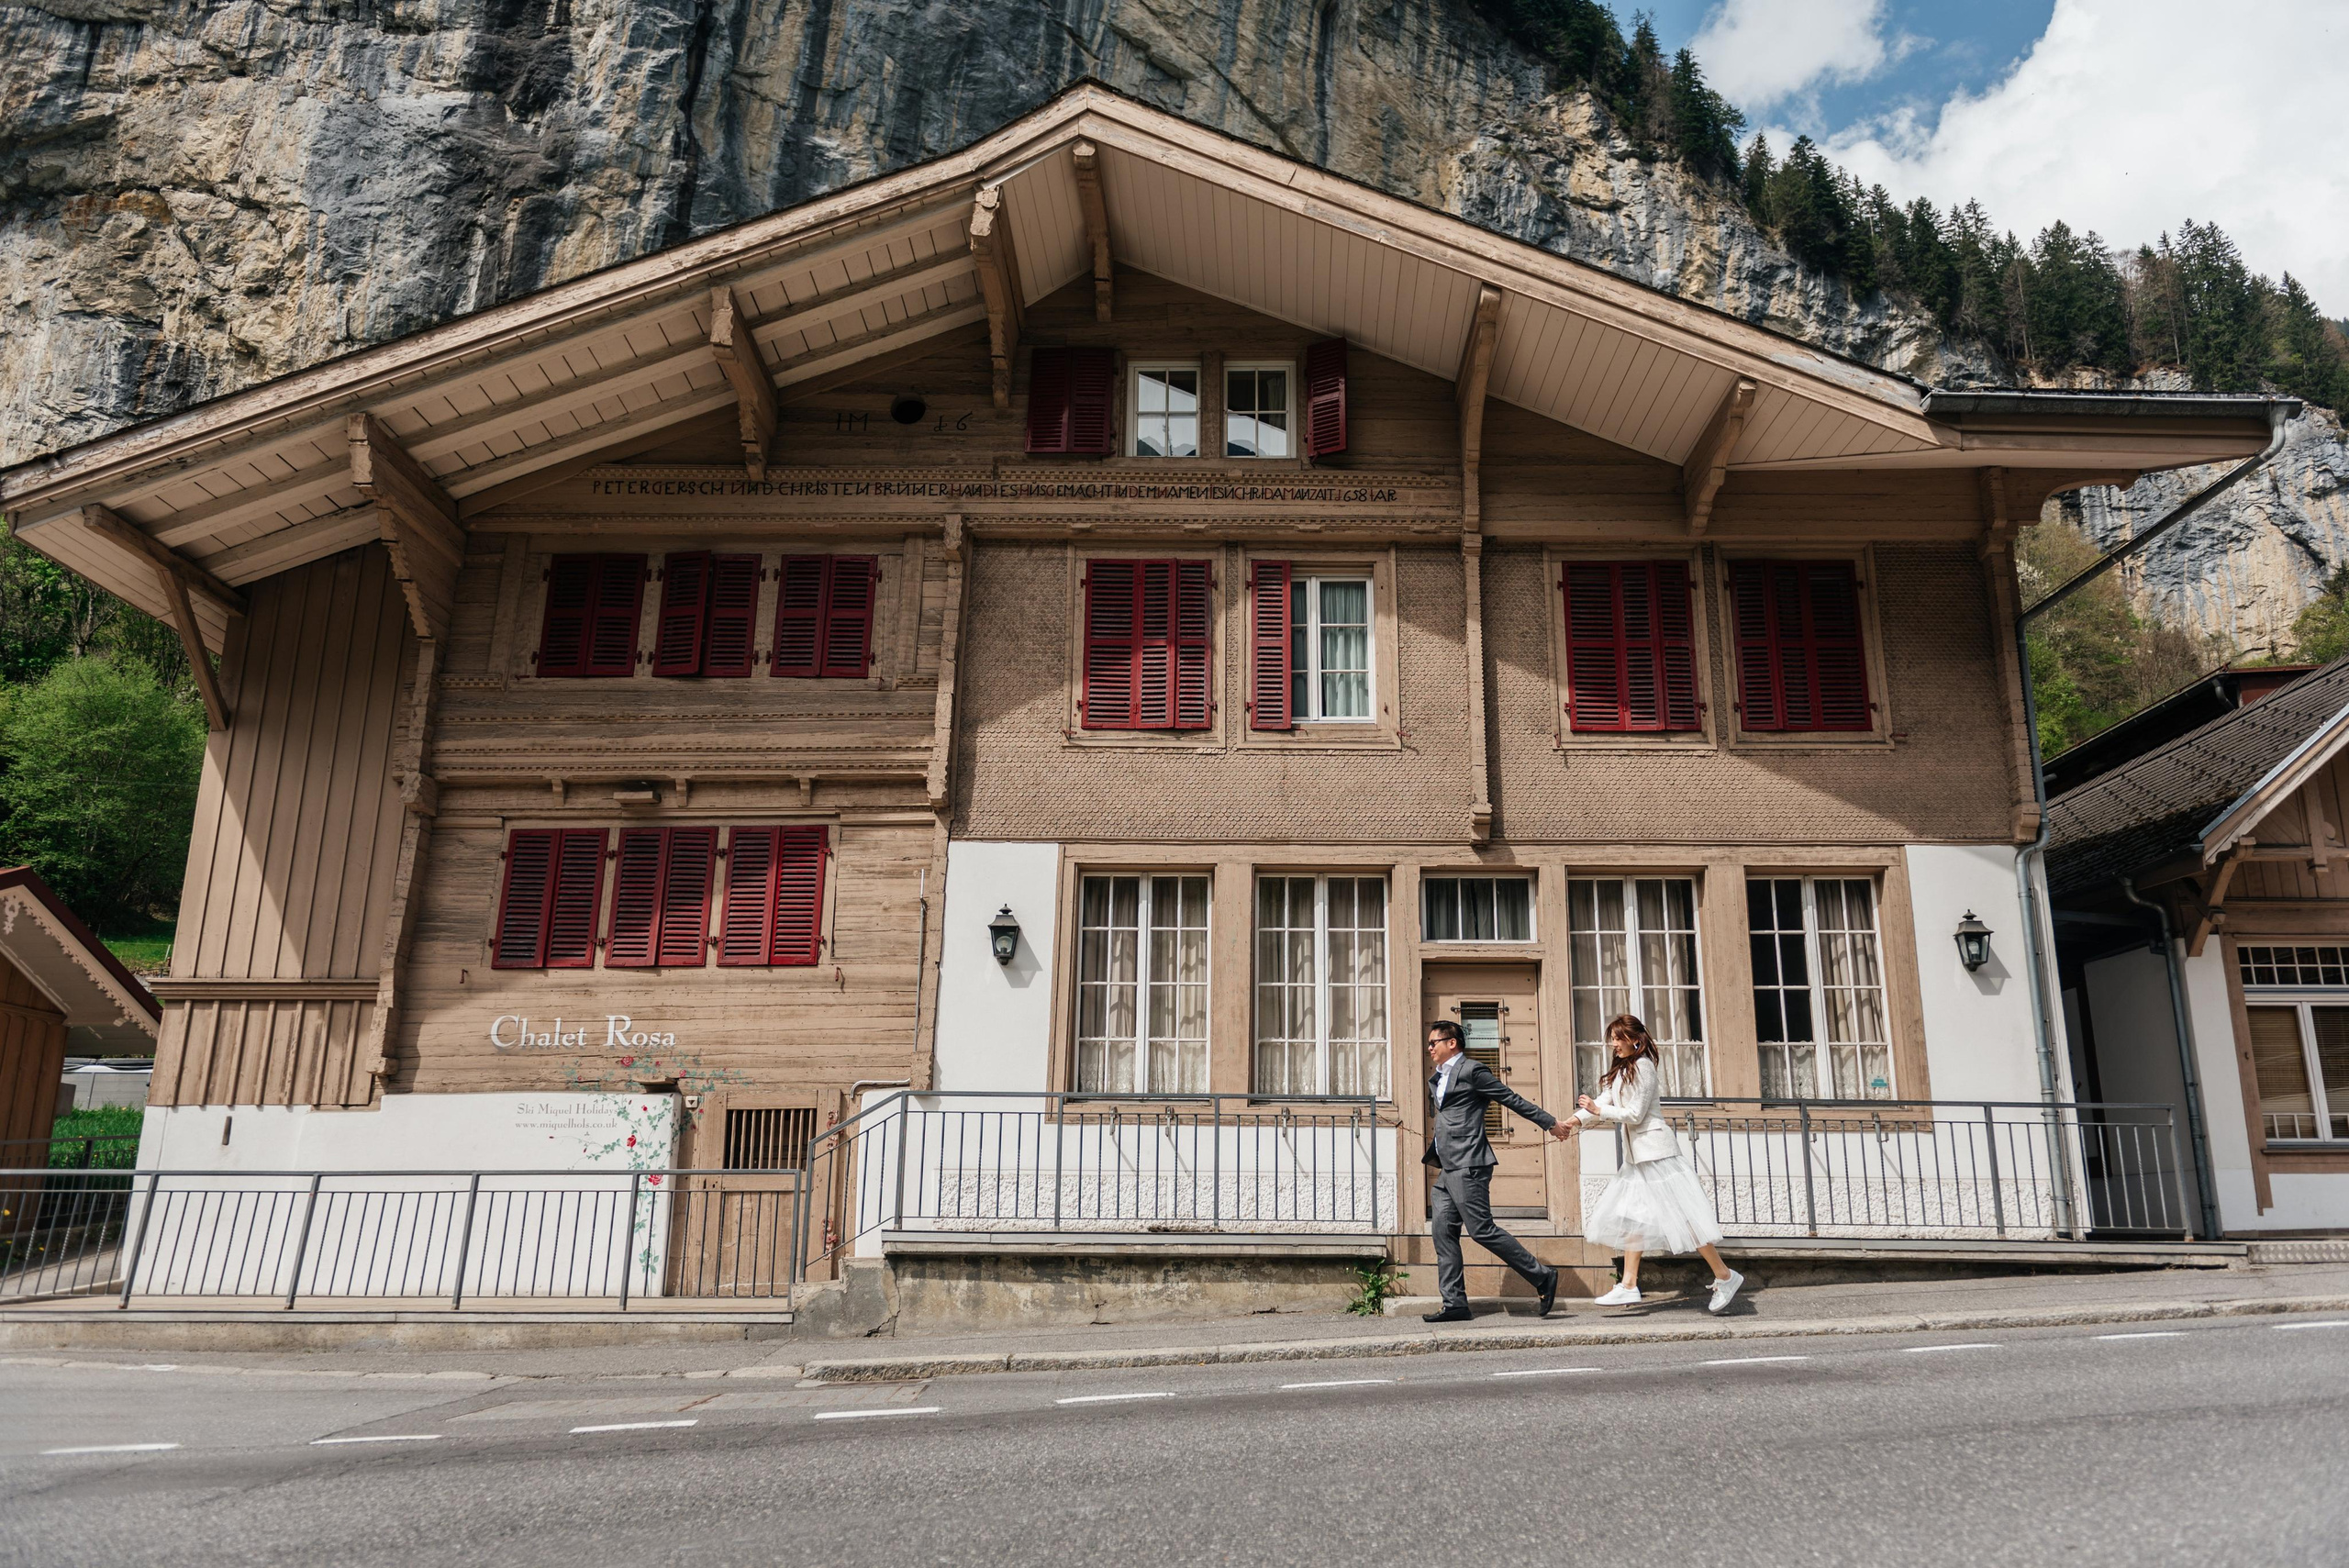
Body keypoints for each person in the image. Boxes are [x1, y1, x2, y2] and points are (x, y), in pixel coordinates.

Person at [1562, 1013, 1745, 1314]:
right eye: (1612, 1038)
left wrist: (1598, 1110)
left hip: (1657, 1154)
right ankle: (1630, 1284)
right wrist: (1571, 1122)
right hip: (1640, 1158)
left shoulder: (1644, 1067)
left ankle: (1725, 1276)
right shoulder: (1623, 1070)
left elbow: (1635, 1114)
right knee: (1635, 1217)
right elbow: (1604, 1099)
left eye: (1619, 1038)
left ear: (1636, 1039)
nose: (1614, 1043)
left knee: (1686, 1218)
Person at [1420, 1018, 1574, 1324]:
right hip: (1447, 1167)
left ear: (1452, 1042)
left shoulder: (1473, 1071)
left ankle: (1542, 1276)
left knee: (1481, 1230)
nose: (1429, 1048)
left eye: (1433, 1042)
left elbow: (1511, 1099)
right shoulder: (1438, 1078)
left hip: (1469, 1163)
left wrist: (1550, 1123)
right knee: (1442, 1232)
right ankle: (1455, 1303)